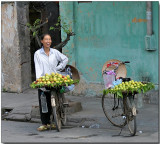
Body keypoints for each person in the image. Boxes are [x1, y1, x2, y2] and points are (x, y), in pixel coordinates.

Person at [34, 34, 68, 131]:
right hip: (44, 80)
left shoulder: (55, 52)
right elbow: (38, 67)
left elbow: (65, 59)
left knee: (56, 99)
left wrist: (59, 68)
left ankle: (55, 120)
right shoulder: (37, 54)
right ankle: (45, 123)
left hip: (55, 79)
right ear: (42, 41)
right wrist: (39, 80)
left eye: (49, 39)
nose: (48, 41)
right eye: (46, 39)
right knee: (44, 101)